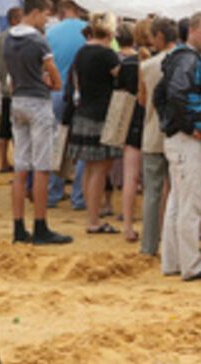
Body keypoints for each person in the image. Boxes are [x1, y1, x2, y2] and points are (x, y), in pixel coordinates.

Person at [3, 0, 73, 245]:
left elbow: (10, 77)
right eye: (45, 14)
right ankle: (41, 226)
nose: (46, 19)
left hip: (18, 101)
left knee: (21, 167)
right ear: (35, 13)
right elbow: (56, 79)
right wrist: (51, 83)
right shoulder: (39, 41)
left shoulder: (9, 38)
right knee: (41, 167)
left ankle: (19, 227)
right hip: (38, 102)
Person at [158, 11, 201, 281]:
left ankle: (173, 261)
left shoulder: (175, 58)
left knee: (177, 200)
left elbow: (160, 96)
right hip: (186, 140)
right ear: (192, 32)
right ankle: (191, 264)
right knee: (190, 203)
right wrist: (191, 128)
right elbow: (174, 94)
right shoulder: (188, 60)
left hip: (176, 138)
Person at [67, 12, 123, 235]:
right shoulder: (107, 54)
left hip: (84, 112)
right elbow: (121, 78)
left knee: (90, 169)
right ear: (110, 32)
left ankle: (92, 215)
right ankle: (93, 220)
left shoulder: (82, 52)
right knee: (100, 169)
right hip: (102, 115)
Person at [138, 17, 178, 256]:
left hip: (153, 132)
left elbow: (142, 100)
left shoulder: (147, 66)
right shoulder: (186, 62)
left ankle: (149, 245)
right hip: (178, 134)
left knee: (152, 194)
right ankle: (176, 243)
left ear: (160, 37)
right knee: (178, 193)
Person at [46, 0, 88, 209]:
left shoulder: (51, 32)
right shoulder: (88, 30)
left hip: (56, 93)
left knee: (56, 144)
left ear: (63, 11)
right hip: (83, 96)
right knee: (83, 148)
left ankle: (53, 193)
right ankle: (79, 197)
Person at [117, 21, 145, 242]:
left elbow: (120, 94)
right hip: (153, 123)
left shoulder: (128, 65)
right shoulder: (159, 63)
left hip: (131, 123)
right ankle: (159, 225)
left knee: (130, 178)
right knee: (159, 180)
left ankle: (127, 225)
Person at [0, 7, 23, 173]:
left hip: (5, 90)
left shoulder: (0, 38)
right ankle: (18, 163)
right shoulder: (17, 38)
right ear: (13, 20)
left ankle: (3, 162)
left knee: (4, 128)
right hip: (17, 89)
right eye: (20, 17)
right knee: (17, 129)